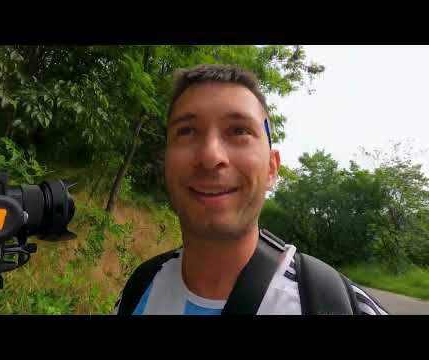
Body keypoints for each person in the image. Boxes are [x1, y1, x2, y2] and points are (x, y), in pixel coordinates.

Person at [114, 64, 388, 315]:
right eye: (186, 131)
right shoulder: (137, 291)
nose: (211, 156)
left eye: (238, 131)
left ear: (271, 169)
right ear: (166, 163)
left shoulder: (338, 305)